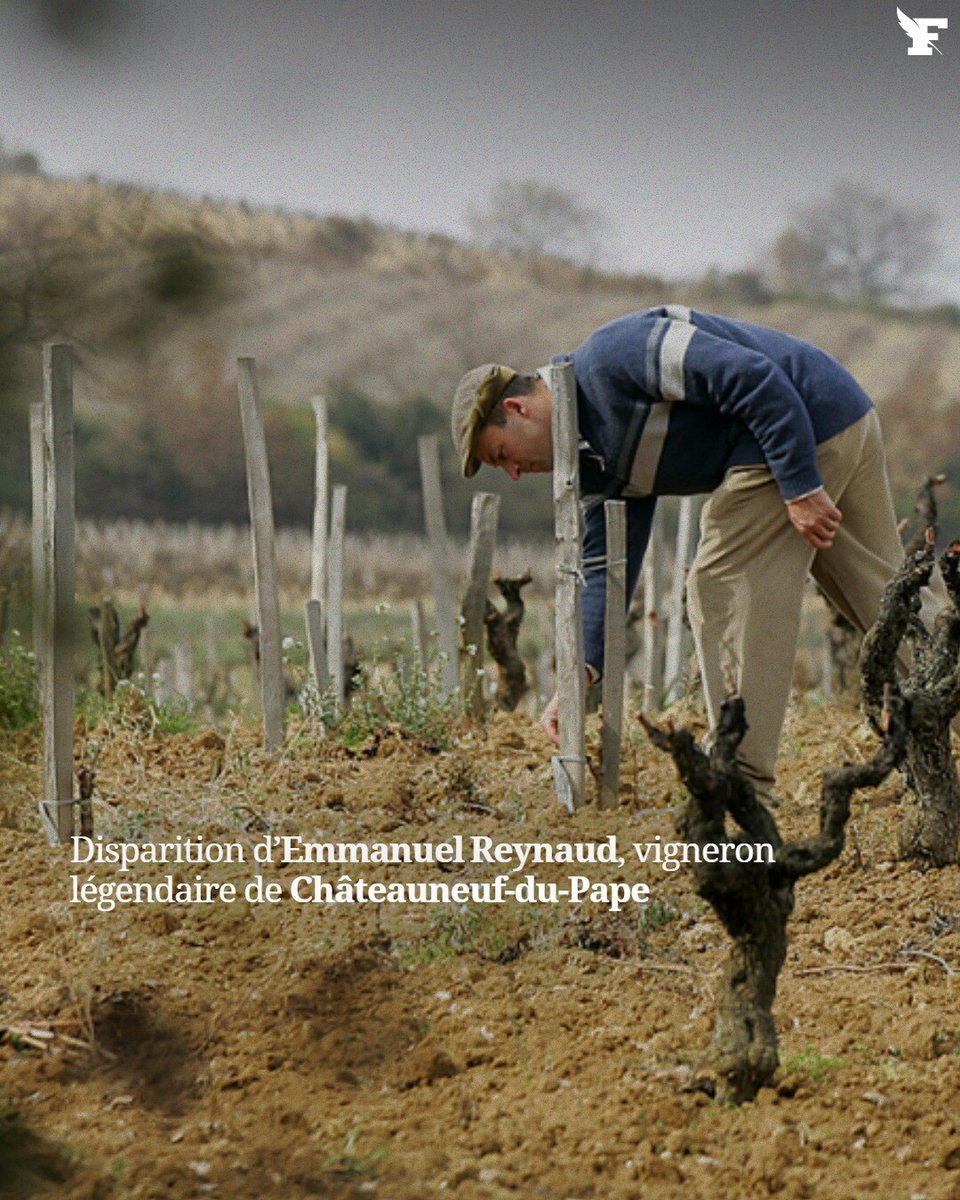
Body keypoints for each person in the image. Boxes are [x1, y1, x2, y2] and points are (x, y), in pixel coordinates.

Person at [450, 305, 936, 802]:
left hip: (799, 422)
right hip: (841, 413)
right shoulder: (589, 462)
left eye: (501, 455)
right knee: (888, 600)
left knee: (721, 583)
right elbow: (603, 572)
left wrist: (799, 485)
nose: (512, 472)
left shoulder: (614, 357)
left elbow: (753, 376)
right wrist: (582, 674)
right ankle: (949, 681)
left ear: (517, 411)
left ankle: (740, 781)